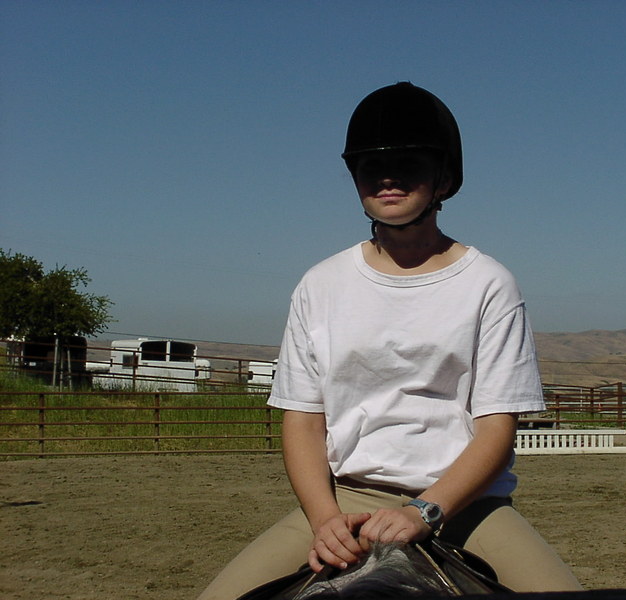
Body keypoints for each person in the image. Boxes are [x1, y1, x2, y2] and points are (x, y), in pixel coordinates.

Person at [197, 82, 582, 599]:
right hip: (347, 497)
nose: (387, 178)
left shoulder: (489, 284)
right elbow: (304, 419)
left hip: (465, 507)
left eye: (408, 164)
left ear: (445, 178)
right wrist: (324, 519)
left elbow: (496, 428)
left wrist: (425, 510)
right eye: (370, 166)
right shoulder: (320, 284)